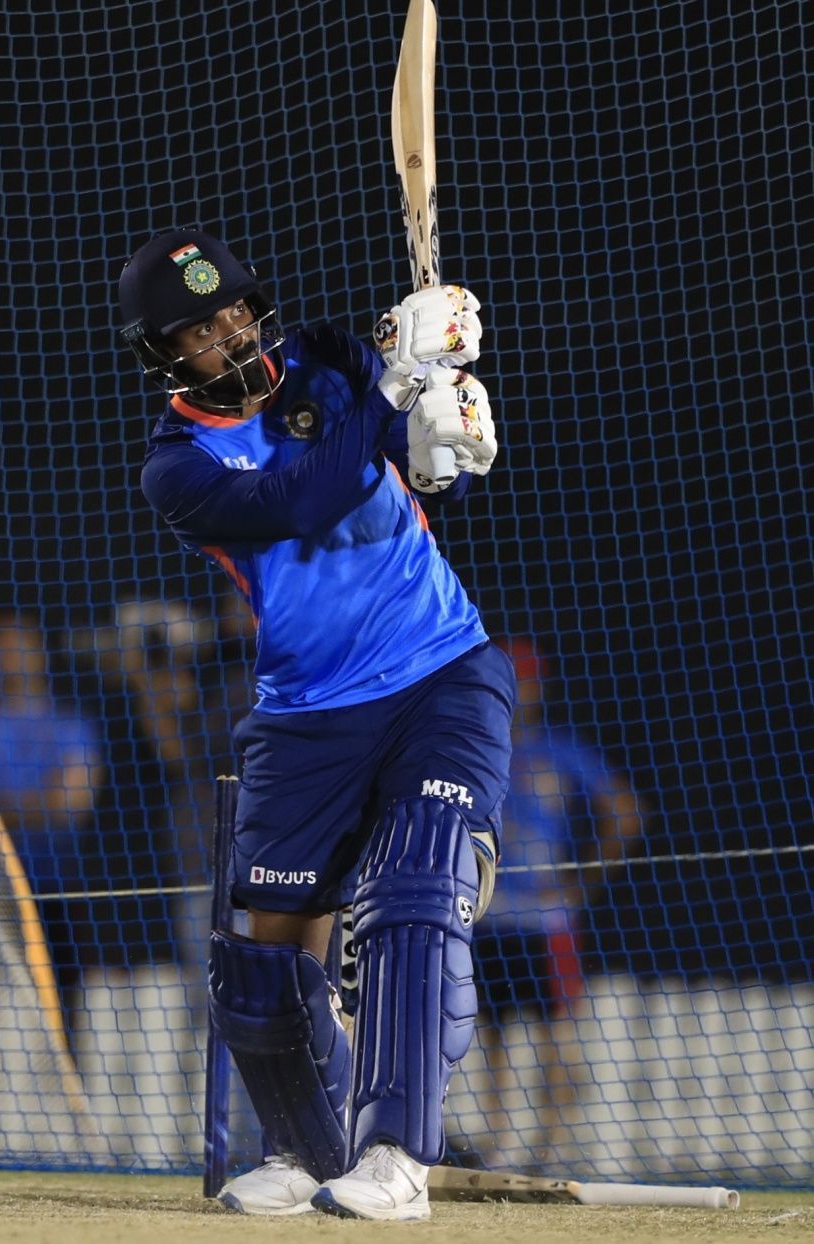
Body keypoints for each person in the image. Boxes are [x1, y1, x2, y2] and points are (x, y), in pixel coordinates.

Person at [124, 228, 509, 1220]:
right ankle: (303, 1149)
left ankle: (395, 1160)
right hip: (306, 718)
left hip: (439, 673)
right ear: (166, 354)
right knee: (259, 962)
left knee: (414, 892)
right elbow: (303, 498)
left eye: (237, 311)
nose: (231, 334)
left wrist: (447, 419)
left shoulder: (332, 360)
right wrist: (389, 391)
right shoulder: (179, 466)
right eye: (203, 330)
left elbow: (423, 473)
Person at [473, 635, 643, 1167]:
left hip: (546, 922)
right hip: (491, 917)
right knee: (491, 1037)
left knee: (557, 1040)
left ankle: (551, 1146)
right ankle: (499, 1144)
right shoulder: (478, 747)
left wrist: (581, 882)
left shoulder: (560, 749)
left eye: (524, 682)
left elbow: (626, 812)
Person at [0, 610, 106, 1031]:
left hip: (56, 886)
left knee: (63, 1007)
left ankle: (72, 1092)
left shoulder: (72, 724)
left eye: (18, 646)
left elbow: (72, 804)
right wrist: (35, 806)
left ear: (39, 653)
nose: (10, 657)